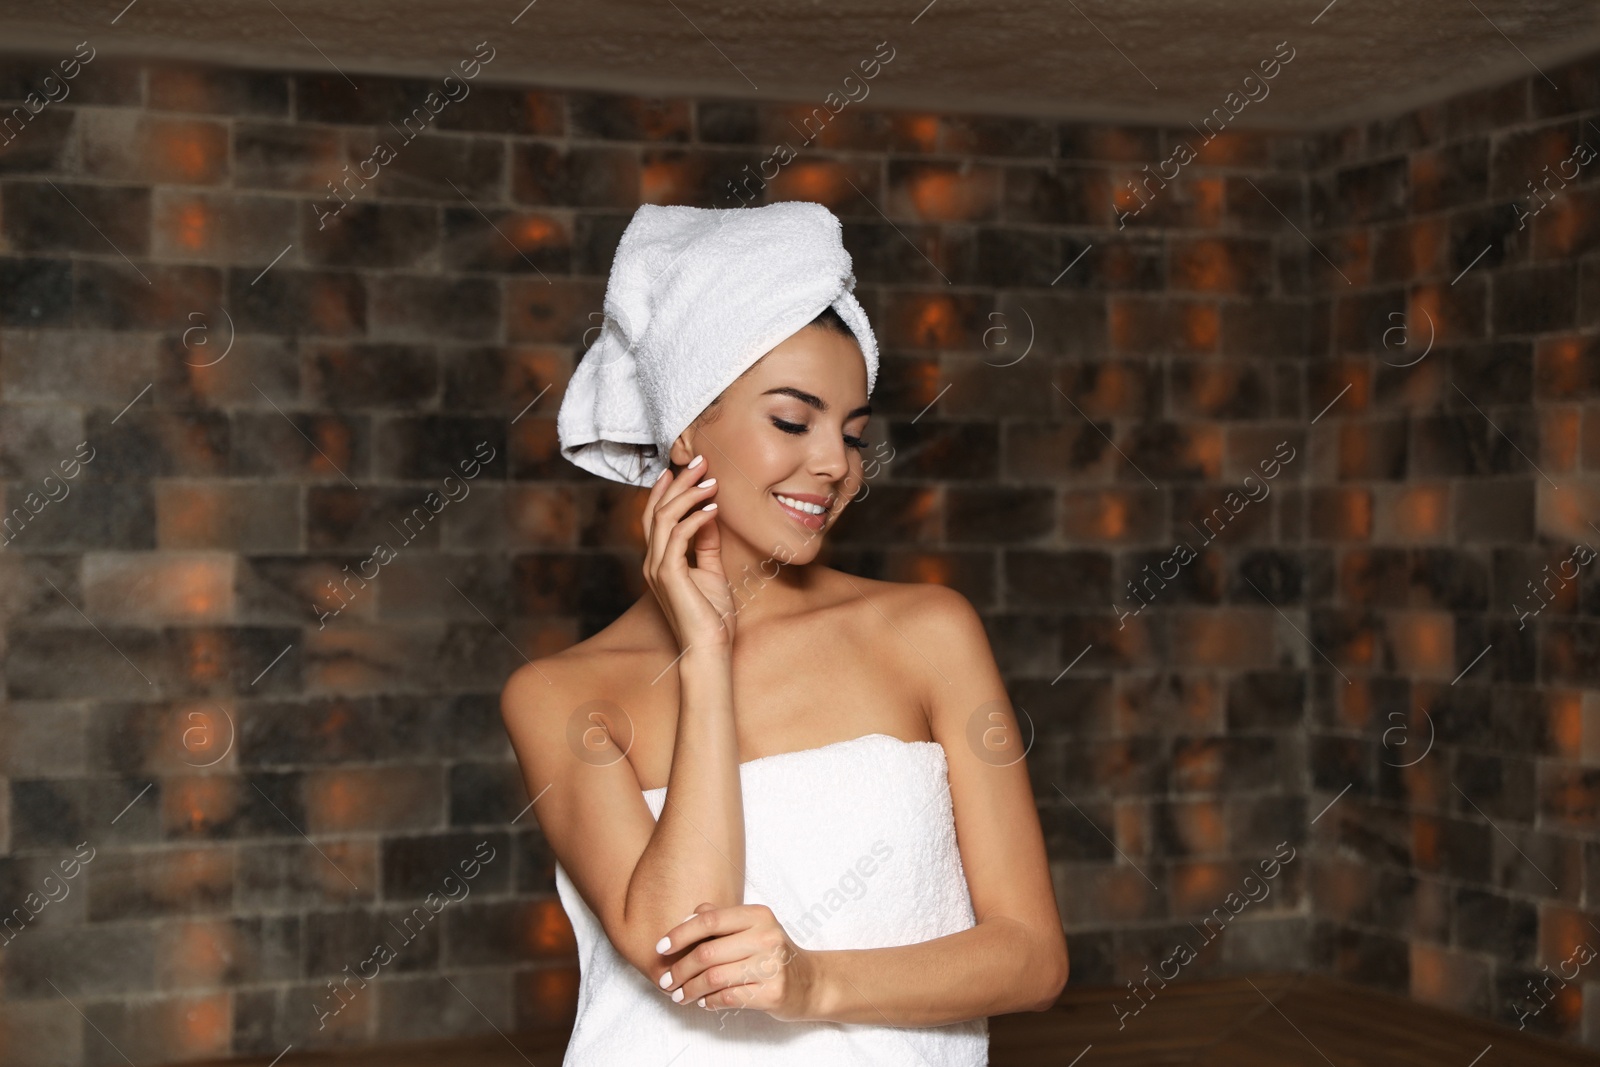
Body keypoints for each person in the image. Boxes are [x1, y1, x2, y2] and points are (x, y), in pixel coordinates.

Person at [500, 200, 1067, 1065]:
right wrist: (705, 657)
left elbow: (1031, 957)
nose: (835, 462)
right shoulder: (560, 696)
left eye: (852, 431)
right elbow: (674, 947)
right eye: (792, 421)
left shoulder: (927, 633)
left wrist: (814, 983)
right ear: (688, 426)